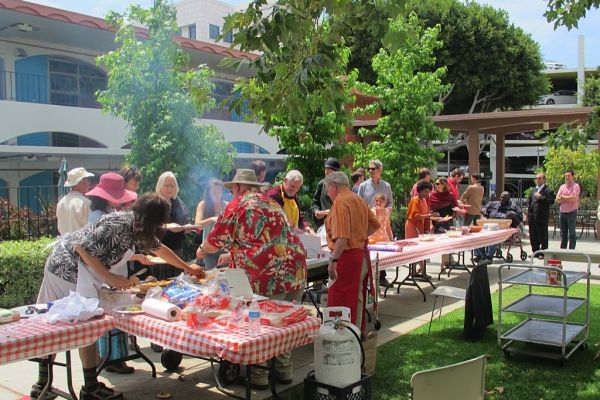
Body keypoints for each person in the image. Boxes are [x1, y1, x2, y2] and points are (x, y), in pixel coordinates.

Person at [34, 193, 203, 400]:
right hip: (67, 269)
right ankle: (87, 387)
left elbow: (160, 250)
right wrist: (109, 276)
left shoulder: (139, 227)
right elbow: (81, 248)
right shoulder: (118, 225)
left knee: (71, 323)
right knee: (86, 323)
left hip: (77, 272)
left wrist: (187, 268)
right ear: (151, 220)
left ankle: (44, 384)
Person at [195, 169, 306, 389]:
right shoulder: (272, 203)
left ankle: (258, 377)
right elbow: (261, 238)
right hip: (294, 270)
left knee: (260, 324)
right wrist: (232, 253)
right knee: (281, 323)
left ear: (238, 187)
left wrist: (201, 250)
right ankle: (284, 372)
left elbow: (216, 238)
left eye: (233, 188)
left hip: (266, 274)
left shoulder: (238, 205)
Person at [85, 173, 144, 375]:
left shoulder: (104, 213)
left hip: (111, 274)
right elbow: (88, 251)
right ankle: (112, 359)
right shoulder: (100, 217)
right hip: (103, 276)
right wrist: (110, 277)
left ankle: (113, 357)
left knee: (114, 317)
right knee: (111, 318)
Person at [324, 171, 380, 332]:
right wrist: (359, 236)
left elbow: (342, 237)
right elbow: (375, 224)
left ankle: (344, 335)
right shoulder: (358, 199)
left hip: (346, 257)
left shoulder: (341, 202)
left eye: (328, 190)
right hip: (360, 254)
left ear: (333, 187)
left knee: (341, 297)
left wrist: (333, 261)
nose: (328, 194)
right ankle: (357, 332)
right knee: (357, 296)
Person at [358, 160, 394, 287]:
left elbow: (390, 203)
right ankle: (367, 279)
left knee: (382, 251)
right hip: (368, 222)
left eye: (373, 169)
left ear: (380, 170)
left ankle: (381, 278)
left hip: (382, 224)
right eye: (369, 169)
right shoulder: (363, 186)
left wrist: (387, 210)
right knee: (369, 252)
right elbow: (359, 203)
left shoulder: (386, 186)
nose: (370, 171)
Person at [474, 191, 523, 262]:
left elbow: (520, 217)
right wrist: (483, 210)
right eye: (501, 197)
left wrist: (514, 214)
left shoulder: (513, 206)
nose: (501, 199)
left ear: (508, 198)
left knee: (493, 235)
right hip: (490, 225)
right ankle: (480, 255)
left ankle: (489, 257)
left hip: (505, 228)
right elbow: (484, 208)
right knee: (479, 235)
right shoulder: (494, 204)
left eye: (504, 197)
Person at [194, 178, 228, 269]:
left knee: (226, 277)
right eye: (214, 192)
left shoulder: (227, 206)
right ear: (209, 193)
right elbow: (197, 225)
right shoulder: (203, 205)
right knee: (211, 277)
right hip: (208, 248)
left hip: (224, 248)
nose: (217, 195)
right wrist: (211, 219)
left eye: (219, 192)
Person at [57, 167, 94, 234]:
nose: (89, 183)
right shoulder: (85, 203)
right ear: (79, 182)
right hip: (80, 243)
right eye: (86, 180)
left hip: (64, 242)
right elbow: (90, 228)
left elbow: (60, 227)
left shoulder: (61, 202)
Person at [526, 172, 555, 256]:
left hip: (541, 217)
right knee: (533, 235)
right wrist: (528, 213)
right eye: (536, 178)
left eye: (539, 178)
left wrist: (541, 197)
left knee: (542, 235)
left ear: (544, 180)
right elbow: (530, 202)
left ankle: (543, 253)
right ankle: (535, 252)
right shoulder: (533, 190)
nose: (537, 180)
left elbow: (551, 201)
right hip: (532, 216)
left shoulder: (548, 190)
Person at [311, 157, 340, 227]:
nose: (326, 172)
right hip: (323, 224)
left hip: (339, 223)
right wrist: (316, 211)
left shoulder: (342, 186)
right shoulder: (321, 184)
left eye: (329, 170)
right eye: (325, 169)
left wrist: (328, 212)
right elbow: (315, 203)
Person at [556, 169, 580, 249]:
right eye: (566, 176)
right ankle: (563, 249)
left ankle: (571, 250)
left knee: (572, 233)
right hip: (562, 212)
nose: (567, 177)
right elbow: (557, 199)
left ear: (572, 177)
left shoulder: (576, 186)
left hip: (572, 212)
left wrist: (563, 198)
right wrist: (567, 198)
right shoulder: (562, 186)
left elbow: (574, 198)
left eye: (569, 176)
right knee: (563, 233)